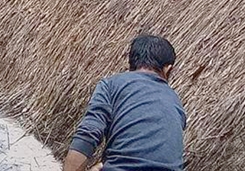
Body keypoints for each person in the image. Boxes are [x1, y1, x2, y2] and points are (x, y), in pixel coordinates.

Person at [64, 35, 186, 171]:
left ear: (131, 62)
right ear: (168, 69)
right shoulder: (176, 103)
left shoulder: (112, 85)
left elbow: (88, 134)